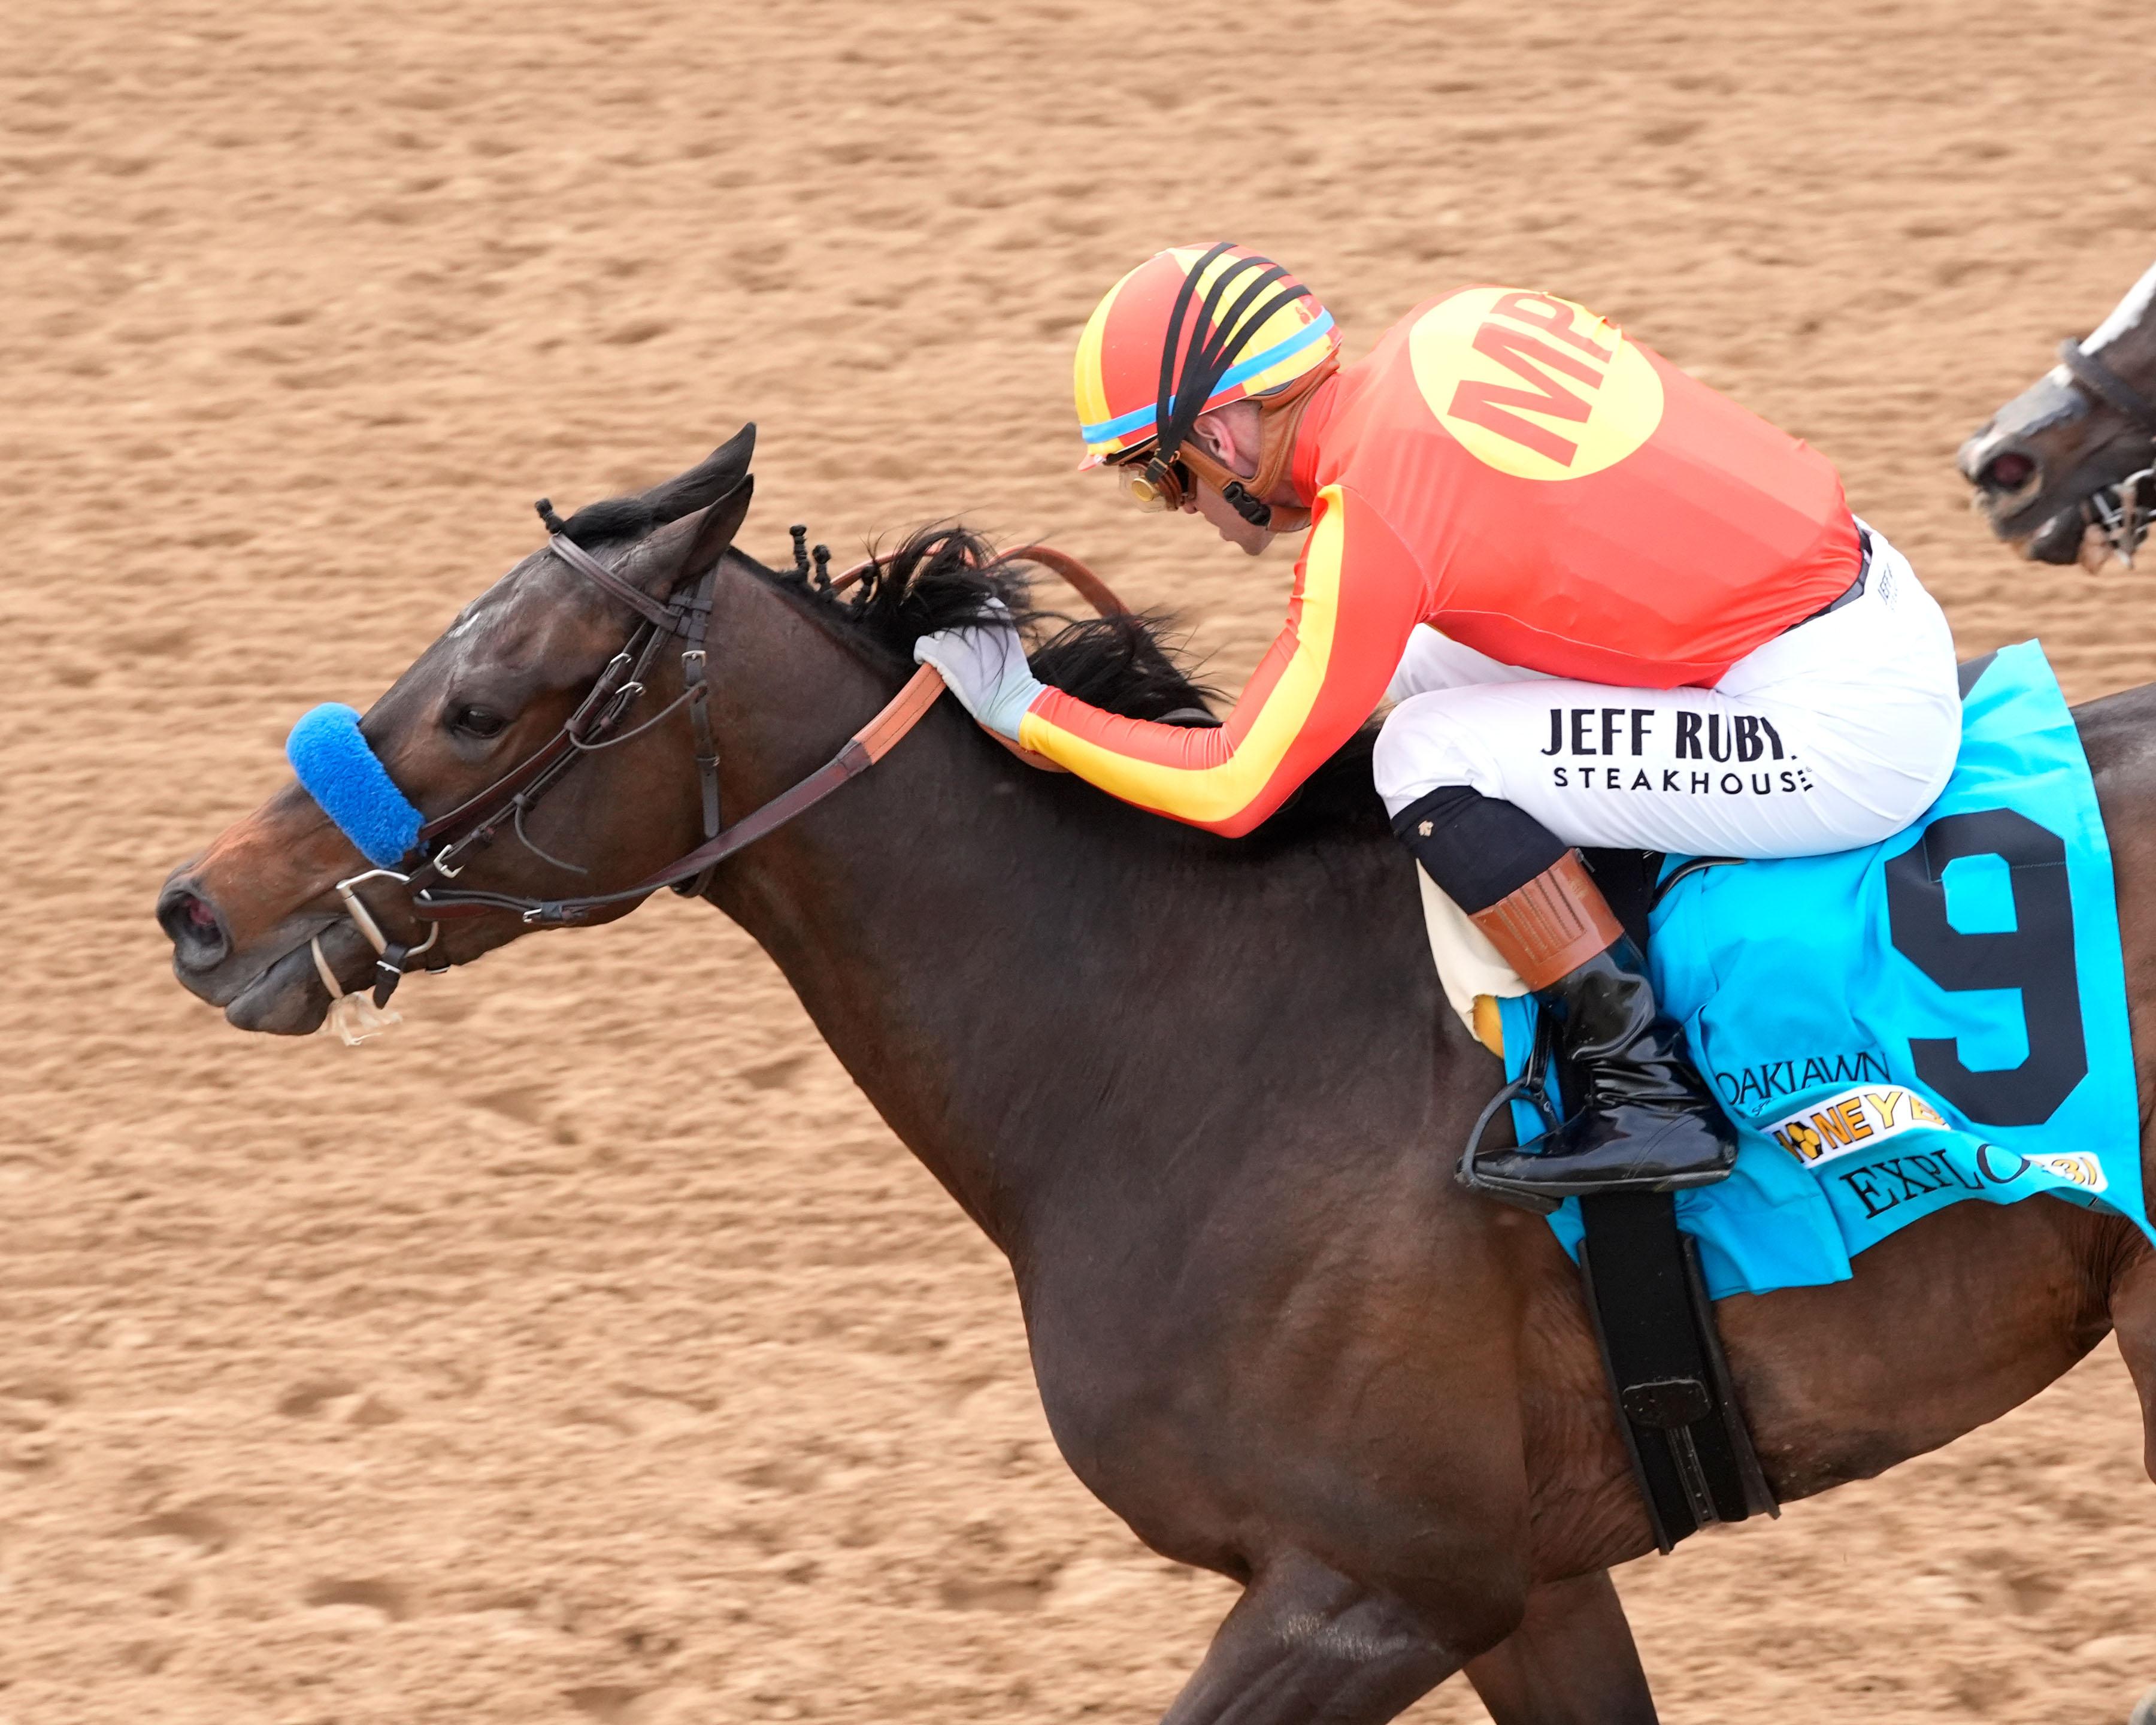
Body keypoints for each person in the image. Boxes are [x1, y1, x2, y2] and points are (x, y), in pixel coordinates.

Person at [913, 243, 1960, 1204]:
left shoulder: (1371, 518)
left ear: (1224, 430)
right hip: (1851, 607)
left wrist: (1027, 710)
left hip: (1843, 727)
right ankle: (1570, 931)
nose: (1179, 504)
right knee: (1414, 662)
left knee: (1424, 751)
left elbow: (1235, 789)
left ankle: (1645, 1087)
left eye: (1158, 473)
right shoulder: (1447, 326)